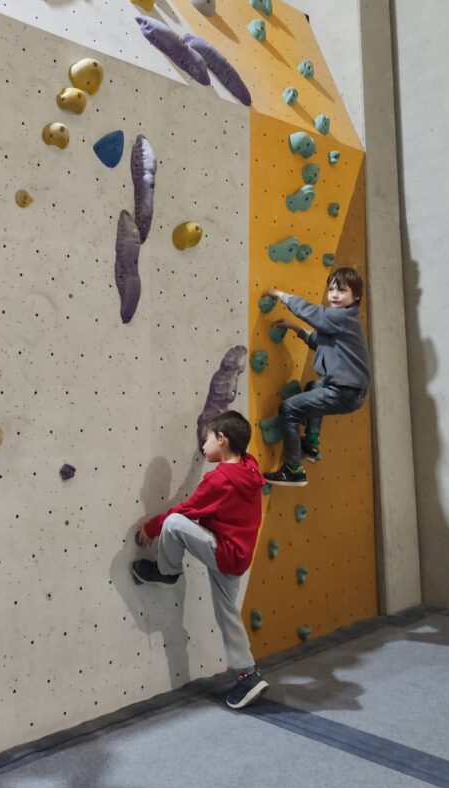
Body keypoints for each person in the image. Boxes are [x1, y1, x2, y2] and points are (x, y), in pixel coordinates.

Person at [132, 410, 269, 710]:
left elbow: (187, 509)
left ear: (222, 439)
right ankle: (248, 676)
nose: (202, 446)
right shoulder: (249, 466)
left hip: (224, 551)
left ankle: (167, 571)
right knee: (227, 615)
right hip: (239, 554)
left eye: (206, 440)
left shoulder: (220, 479)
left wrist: (151, 528)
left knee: (173, 524)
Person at [264, 267, 371, 487]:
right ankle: (311, 443)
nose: (334, 294)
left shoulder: (341, 317)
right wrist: (296, 329)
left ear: (356, 297)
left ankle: (293, 470)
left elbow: (315, 314)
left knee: (288, 409)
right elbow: (321, 342)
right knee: (314, 385)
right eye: (331, 289)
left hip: (344, 391)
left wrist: (282, 296)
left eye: (342, 290)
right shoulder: (342, 322)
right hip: (350, 391)